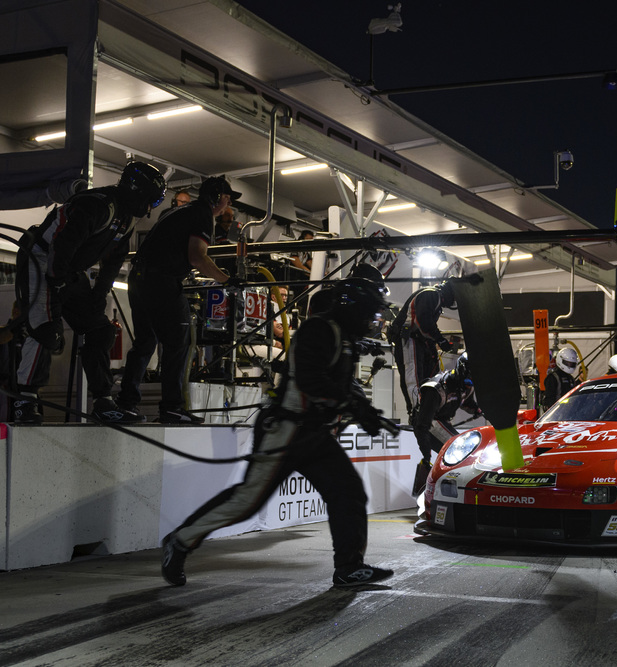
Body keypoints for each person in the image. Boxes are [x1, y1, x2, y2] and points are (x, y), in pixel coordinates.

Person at [160, 277, 397, 588]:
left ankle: (349, 567)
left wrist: (365, 411)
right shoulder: (318, 330)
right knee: (247, 502)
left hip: (314, 434)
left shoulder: (344, 337)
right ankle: (180, 541)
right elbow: (311, 382)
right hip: (286, 431)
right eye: (372, 313)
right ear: (356, 308)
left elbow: (339, 385)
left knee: (348, 492)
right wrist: (355, 406)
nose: (374, 321)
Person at [13, 161, 166, 424]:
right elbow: (63, 243)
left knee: (101, 330)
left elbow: (114, 260)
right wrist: (58, 281)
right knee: (46, 330)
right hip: (41, 260)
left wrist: (99, 294)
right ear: (138, 193)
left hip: (69, 268)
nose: (150, 209)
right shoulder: (97, 205)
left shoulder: (126, 218)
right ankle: (25, 401)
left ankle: (103, 402)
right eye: (150, 201)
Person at [116, 175, 235, 424]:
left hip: (139, 279)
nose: (228, 205)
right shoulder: (202, 214)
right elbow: (197, 257)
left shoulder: (180, 212)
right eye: (227, 198)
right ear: (217, 197)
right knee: (179, 342)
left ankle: (125, 403)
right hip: (162, 281)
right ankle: (172, 407)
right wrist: (227, 280)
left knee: (145, 343)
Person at [411, 351, 479, 495]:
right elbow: (422, 425)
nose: (469, 387)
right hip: (428, 422)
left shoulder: (465, 386)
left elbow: (466, 402)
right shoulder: (435, 389)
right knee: (462, 448)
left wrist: (478, 410)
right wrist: (426, 455)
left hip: (442, 421)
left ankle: (450, 488)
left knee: (463, 451)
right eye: (468, 381)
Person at [388, 280, 456, 414]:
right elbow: (423, 321)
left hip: (418, 340)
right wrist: (440, 339)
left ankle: (428, 408)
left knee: (428, 375)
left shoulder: (433, 296)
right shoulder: (431, 294)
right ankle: (417, 410)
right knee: (413, 376)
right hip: (409, 339)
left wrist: (436, 344)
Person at [541, 347, 580, 412]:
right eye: (568, 363)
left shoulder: (571, 379)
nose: (570, 365)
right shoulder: (553, 378)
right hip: (556, 412)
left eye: (572, 364)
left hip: (569, 411)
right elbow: (549, 400)